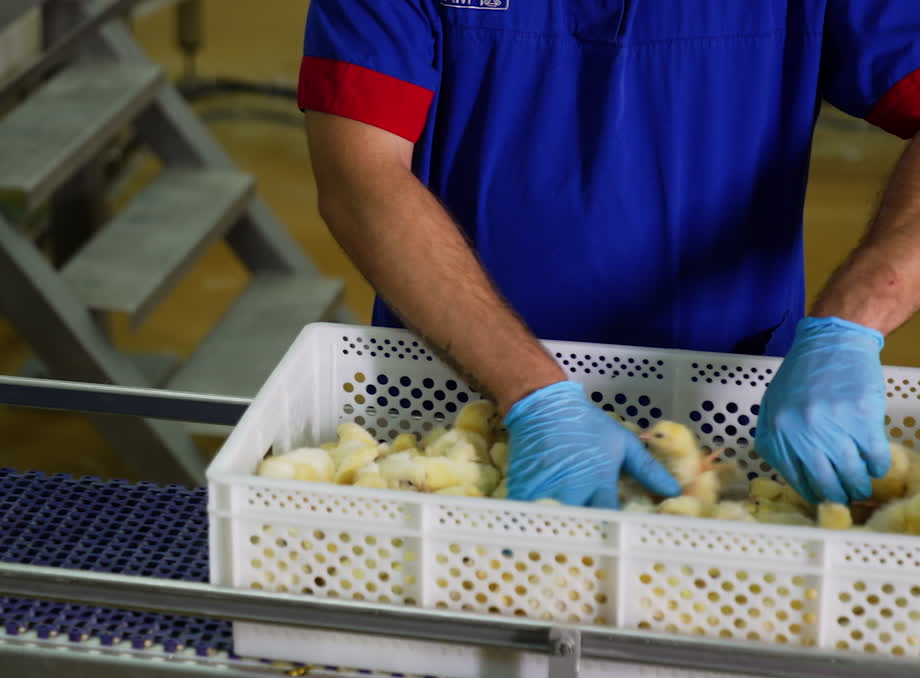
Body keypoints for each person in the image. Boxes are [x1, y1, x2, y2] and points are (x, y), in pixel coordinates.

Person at [299, 1, 920, 507]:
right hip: (459, 406)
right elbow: (360, 179)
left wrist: (853, 322)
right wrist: (533, 395)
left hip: (731, 410)